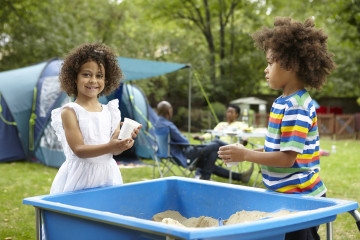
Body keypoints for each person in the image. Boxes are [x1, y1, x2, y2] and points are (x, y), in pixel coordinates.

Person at [218, 17, 336, 240]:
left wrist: (246, 154)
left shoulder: (297, 106)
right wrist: (242, 153)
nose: (266, 69)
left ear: (290, 65)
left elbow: (287, 159)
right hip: (284, 193)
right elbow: (278, 150)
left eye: (270, 63)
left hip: (301, 196)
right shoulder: (282, 102)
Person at [50, 43, 142, 194]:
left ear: (106, 80)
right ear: (74, 78)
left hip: (107, 176)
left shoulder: (111, 111)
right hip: (79, 178)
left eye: (99, 76)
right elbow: (79, 150)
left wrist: (123, 142)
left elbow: (114, 150)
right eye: (86, 74)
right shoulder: (70, 111)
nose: (93, 80)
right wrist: (110, 147)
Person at [155, 101, 253, 182]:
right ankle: (234, 152)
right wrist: (200, 138)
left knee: (210, 157)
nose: (229, 114)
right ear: (169, 111)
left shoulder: (157, 124)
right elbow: (184, 140)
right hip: (184, 155)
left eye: (231, 112)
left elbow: (246, 133)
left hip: (168, 153)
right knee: (215, 144)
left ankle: (237, 177)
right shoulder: (168, 125)